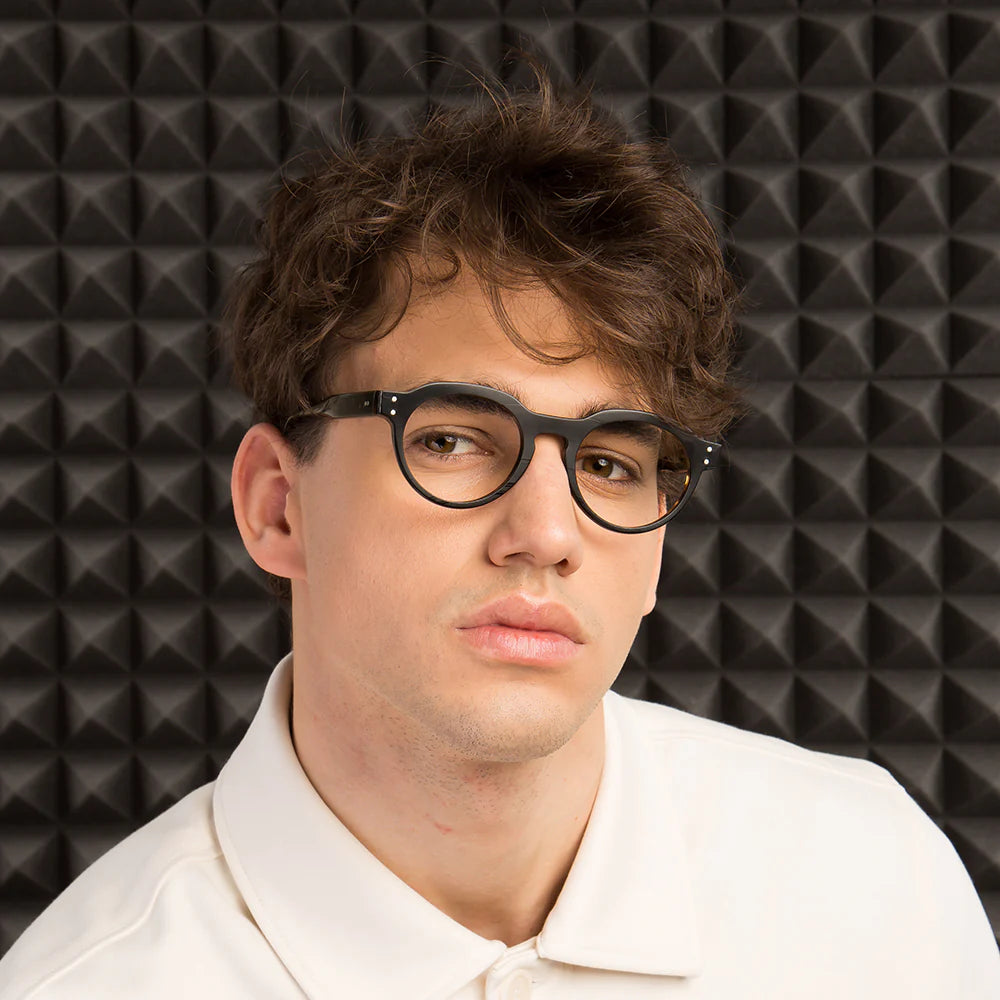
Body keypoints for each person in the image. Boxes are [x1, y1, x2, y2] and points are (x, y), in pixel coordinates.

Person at [1, 67, 997, 1000]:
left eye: (609, 459)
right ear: (276, 504)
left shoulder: (876, 896)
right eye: (452, 441)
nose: (546, 532)